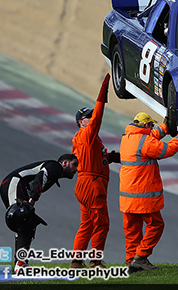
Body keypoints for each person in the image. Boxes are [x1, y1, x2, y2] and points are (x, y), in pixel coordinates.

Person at [119, 112, 178, 272]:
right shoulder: (145, 142)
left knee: (132, 231)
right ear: (146, 125)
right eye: (151, 125)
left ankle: (130, 262)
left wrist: (165, 127)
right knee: (156, 225)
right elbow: (167, 150)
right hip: (142, 198)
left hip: (126, 198)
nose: (152, 127)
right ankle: (141, 256)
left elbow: (151, 136)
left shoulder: (127, 138)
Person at [70, 74, 121, 269]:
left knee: (87, 225)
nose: (90, 119)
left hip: (84, 183)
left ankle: (76, 261)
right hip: (92, 184)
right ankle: (95, 261)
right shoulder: (87, 134)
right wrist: (102, 95)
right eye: (86, 117)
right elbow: (98, 117)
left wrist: (110, 157)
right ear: (80, 122)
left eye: (90, 116)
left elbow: (96, 158)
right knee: (102, 224)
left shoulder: (83, 139)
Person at [0, 154, 79, 267]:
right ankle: (20, 264)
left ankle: (21, 263)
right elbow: (41, 176)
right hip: (14, 183)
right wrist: (31, 201)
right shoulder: (55, 166)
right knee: (23, 218)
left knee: (28, 223)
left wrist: (30, 205)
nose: (76, 169)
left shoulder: (55, 174)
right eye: (74, 164)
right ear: (64, 163)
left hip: (14, 186)